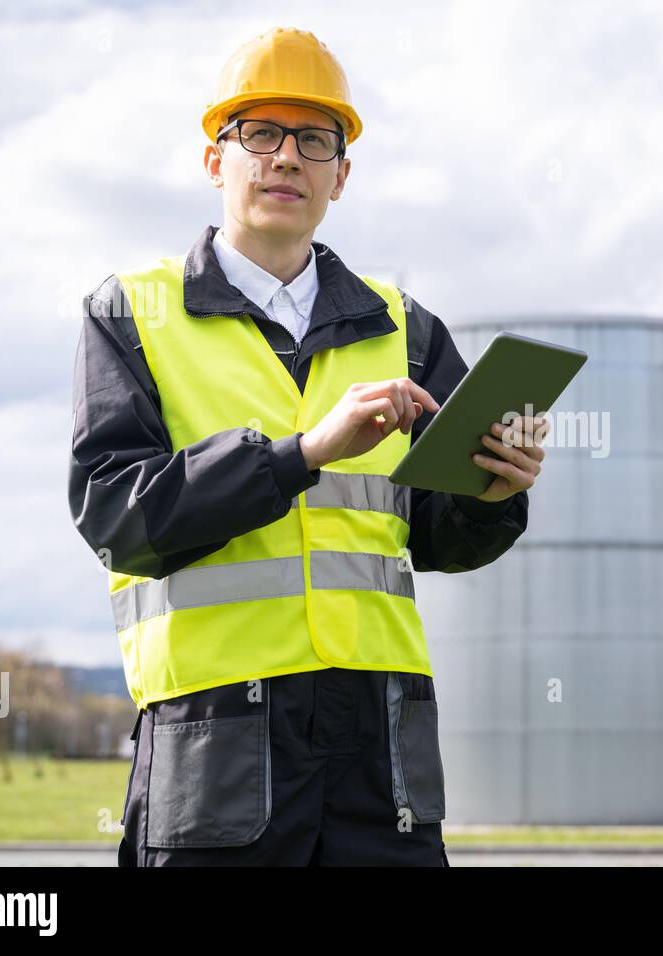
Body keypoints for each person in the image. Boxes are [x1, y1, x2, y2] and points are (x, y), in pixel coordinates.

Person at [68, 26, 547, 866]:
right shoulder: (131, 313)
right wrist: (298, 455)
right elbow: (119, 517)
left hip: (380, 744)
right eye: (261, 133)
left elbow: (436, 537)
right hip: (216, 736)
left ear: (341, 174)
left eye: (314, 139)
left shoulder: (407, 326)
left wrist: (494, 495)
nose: (286, 157)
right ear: (216, 159)